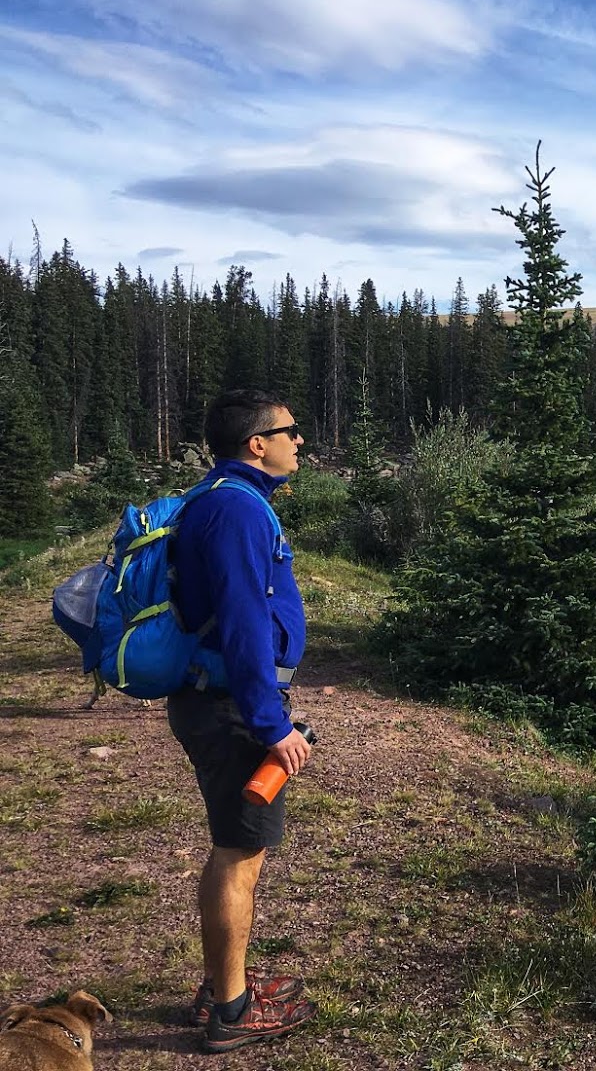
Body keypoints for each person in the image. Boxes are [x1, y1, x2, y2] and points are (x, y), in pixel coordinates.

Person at [167, 389, 317, 1054]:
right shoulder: (234, 509)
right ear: (257, 444)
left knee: (235, 846)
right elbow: (243, 623)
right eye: (291, 432)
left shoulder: (228, 499)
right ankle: (229, 1010)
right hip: (229, 708)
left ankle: (223, 982)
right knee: (239, 854)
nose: (300, 442)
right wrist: (269, 723)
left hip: (221, 701)